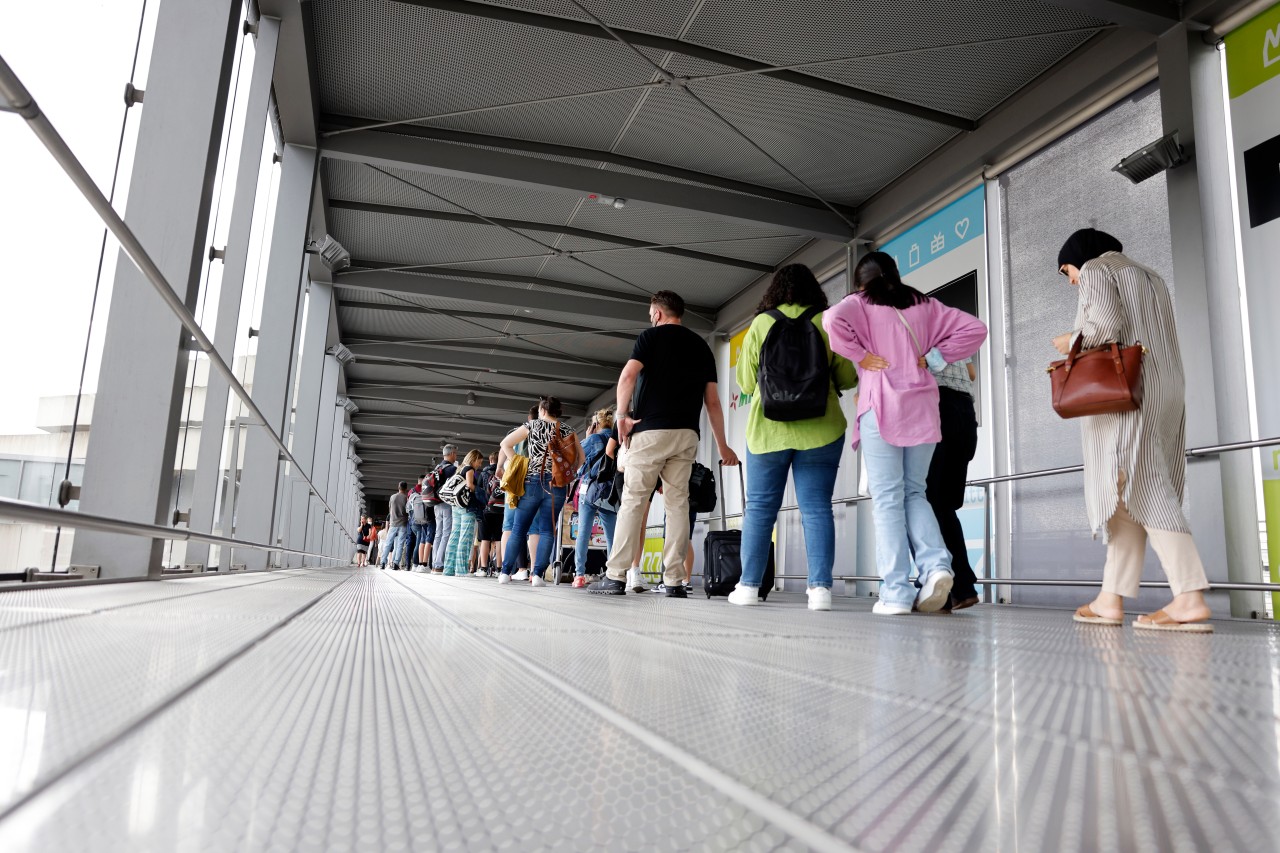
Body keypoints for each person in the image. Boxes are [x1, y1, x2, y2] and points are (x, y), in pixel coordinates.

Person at [1053, 229, 1213, 632]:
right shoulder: (1150, 276)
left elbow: (1105, 324)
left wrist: (1070, 341)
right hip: (1165, 386)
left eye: (1066, 270)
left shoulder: (1095, 269)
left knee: (1144, 485)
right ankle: (1110, 598)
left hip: (1127, 394)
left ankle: (1189, 597)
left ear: (1079, 258)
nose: (1071, 280)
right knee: (1124, 494)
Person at [825, 252, 987, 615]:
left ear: (860, 282)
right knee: (916, 493)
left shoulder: (860, 302)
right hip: (925, 409)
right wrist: (932, 359)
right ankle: (937, 567)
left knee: (887, 499)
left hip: (882, 406)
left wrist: (860, 355)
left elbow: (831, 319)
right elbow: (976, 329)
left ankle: (895, 591)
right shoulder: (925, 304)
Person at [589, 290, 738, 597]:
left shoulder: (649, 338)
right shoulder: (701, 346)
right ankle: (674, 581)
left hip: (650, 431)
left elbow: (628, 375)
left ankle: (616, 576)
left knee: (633, 501)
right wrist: (723, 445)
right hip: (686, 434)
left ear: (657, 313)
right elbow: (712, 402)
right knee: (678, 505)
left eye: (650, 314)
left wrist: (621, 418)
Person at [728, 264, 858, 610]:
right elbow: (847, 377)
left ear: (775, 290)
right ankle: (820, 591)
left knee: (758, 509)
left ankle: (749, 588)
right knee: (817, 508)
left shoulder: (761, 323)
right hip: (822, 428)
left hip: (768, 430)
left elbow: (744, 384)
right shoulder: (827, 320)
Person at [497, 397, 582, 587]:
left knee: (518, 528)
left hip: (532, 481)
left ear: (543, 410)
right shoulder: (568, 430)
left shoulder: (532, 425)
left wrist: (519, 463)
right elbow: (581, 458)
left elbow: (505, 444)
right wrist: (570, 472)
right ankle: (537, 576)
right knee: (547, 531)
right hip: (557, 485)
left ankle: (505, 573)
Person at [923, 349, 980, 611]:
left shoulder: (919, 331)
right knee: (943, 506)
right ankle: (961, 588)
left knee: (925, 504)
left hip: (936, 409)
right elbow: (971, 374)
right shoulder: (953, 335)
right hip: (965, 414)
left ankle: (940, 590)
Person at [572, 410, 619, 588]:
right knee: (611, 535)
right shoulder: (618, 439)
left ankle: (579, 575)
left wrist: (587, 437)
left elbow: (578, 464)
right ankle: (614, 573)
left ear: (596, 424)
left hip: (590, 490)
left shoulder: (592, 439)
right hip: (609, 492)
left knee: (583, 532)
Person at [497, 405, 544, 580]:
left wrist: (500, 467)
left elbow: (503, 447)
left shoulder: (517, 431)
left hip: (515, 480)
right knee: (534, 527)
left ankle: (505, 571)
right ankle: (534, 572)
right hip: (535, 481)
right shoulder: (543, 433)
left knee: (509, 525)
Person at [444, 450, 486, 576]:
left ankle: (448, 569)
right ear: (474, 459)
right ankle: (461, 570)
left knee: (455, 536)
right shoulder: (469, 469)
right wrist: (482, 491)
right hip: (467, 507)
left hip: (456, 506)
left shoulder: (459, 468)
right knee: (465, 538)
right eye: (479, 461)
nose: (479, 464)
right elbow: (470, 486)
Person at [430, 446, 458, 571]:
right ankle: (440, 564)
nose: (456, 456)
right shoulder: (452, 469)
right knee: (446, 533)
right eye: (455, 454)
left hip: (436, 504)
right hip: (446, 503)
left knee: (438, 534)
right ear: (451, 454)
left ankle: (435, 562)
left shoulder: (437, 468)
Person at [478, 452, 504, 575]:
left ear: (490, 459)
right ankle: (499, 569)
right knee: (499, 539)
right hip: (501, 509)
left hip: (486, 510)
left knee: (485, 539)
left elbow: (478, 492)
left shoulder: (483, 473)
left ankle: (483, 569)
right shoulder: (504, 472)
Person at [407, 474, 434, 571]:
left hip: (417, 518)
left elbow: (408, 506)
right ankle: (424, 564)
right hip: (428, 516)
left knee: (421, 540)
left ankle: (417, 564)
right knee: (428, 539)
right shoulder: (428, 488)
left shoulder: (412, 491)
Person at [384, 481, 412, 570]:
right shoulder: (406, 498)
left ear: (398, 487)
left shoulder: (393, 497)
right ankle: (396, 563)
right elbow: (408, 511)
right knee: (400, 544)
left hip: (393, 523)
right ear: (406, 488)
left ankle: (383, 563)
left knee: (388, 543)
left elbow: (390, 510)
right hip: (403, 523)